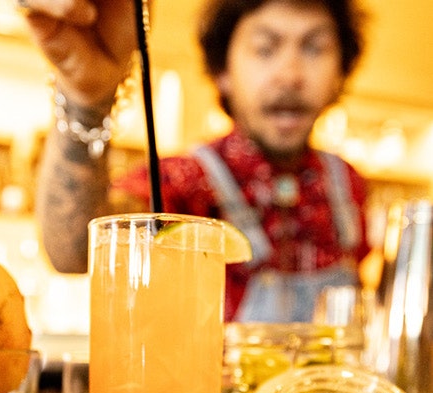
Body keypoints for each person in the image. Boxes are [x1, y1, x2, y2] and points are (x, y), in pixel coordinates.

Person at [21, 0, 373, 322]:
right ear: (223, 72)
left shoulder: (349, 184)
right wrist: (86, 102)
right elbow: (75, 252)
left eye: (314, 48)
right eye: (265, 49)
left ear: (340, 73)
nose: (290, 75)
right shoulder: (187, 180)